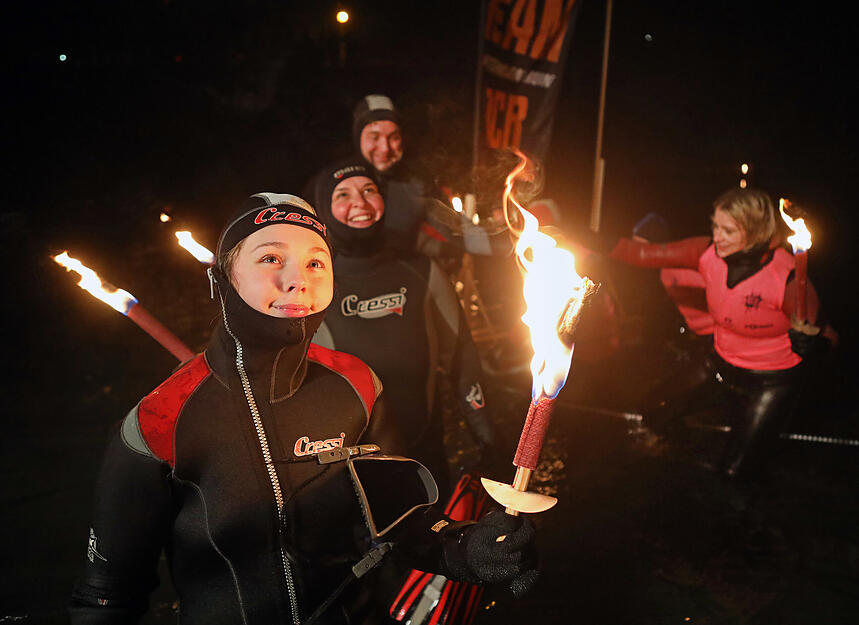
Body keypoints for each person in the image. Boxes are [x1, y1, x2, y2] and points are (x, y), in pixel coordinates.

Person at [69, 193, 537, 625]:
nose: (297, 280)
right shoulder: (157, 422)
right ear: (222, 279)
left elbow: (401, 520)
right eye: (270, 258)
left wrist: (466, 547)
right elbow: (107, 598)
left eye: (316, 262)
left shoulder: (356, 385)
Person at [609, 188, 835, 479]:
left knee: (734, 472)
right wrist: (573, 234)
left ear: (754, 231)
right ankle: (674, 460)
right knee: (653, 411)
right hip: (718, 362)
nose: (717, 236)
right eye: (715, 225)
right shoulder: (707, 252)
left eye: (728, 230)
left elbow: (829, 337)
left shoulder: (787, 277)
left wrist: (815, 345)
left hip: (770, 382)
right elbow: (641, 252)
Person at [310, 160, 501, 502]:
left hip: (424, 457)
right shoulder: (311, 286)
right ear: (325, 209)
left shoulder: (420, 271)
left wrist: (489, 440)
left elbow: (462, 360)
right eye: (343, 194)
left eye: (369, 190)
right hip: (344, 472)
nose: (360, 202)